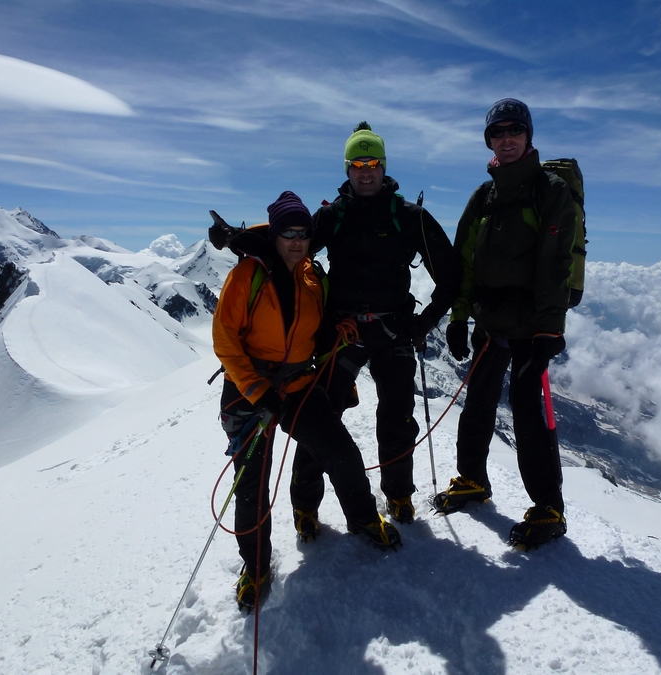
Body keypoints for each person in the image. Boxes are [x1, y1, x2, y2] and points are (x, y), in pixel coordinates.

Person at [211, 191, 401, 611]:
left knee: (341, 452)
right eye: (288, 233)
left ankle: (364, 518)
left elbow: (316, 329)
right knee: (252, 486)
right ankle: (255, 566)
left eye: (303, 233)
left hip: (297, 385)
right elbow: (226, 342)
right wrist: (256, 390)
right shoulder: (247, 275)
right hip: (249, 392)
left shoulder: (314, 276)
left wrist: (340, 328)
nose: (297, 240)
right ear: (275, 235)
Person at [289, 122, 459, 528]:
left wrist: (426, 321)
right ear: (347, 168)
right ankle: (306, 506)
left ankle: (398, 496)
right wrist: (245, 242)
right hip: (344, 330)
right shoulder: (333, 216)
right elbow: (290, 248)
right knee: (321, 418)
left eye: (373, 163)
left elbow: (452, 275)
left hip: (391, 329)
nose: (366, 171)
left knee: (397, 417)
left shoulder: (408, 216)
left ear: (384, 167)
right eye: (358, 163)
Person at [431, 98, 577, 549]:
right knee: (478, 403)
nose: (507, 139)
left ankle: (549, 507)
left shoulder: (550, 191)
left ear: (529, 136)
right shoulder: (484, 197)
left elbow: (557, 265)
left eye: (515, 131)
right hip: (491, 320)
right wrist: (458, 317)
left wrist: (550, 328)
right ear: (490, 141)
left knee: (527, 411)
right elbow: (465, 264)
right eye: (498, 133)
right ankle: (473, 479)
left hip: (533, 324)